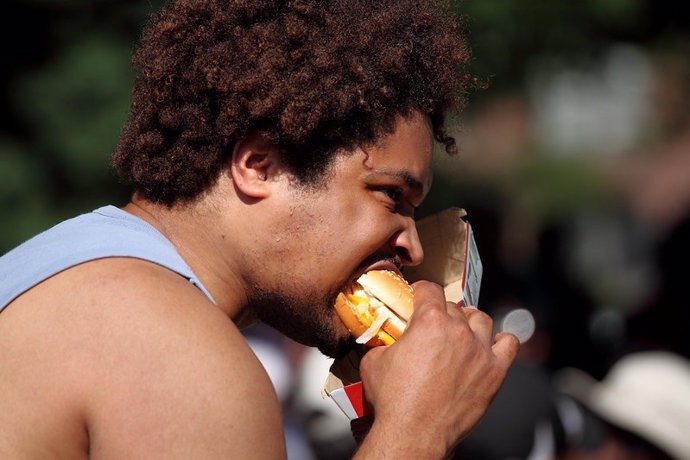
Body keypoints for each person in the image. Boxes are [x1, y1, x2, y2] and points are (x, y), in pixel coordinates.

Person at [0, 1, 520, 458]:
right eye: (390, 195)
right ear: (258, 167)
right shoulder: (182, 356)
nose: (412, 245)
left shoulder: (62, 269)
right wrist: (417, 433)